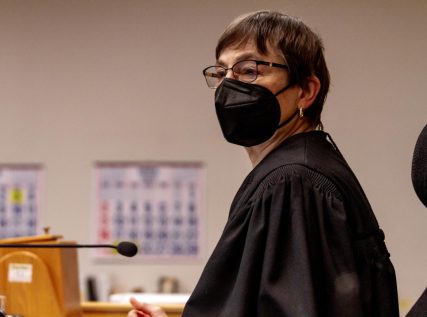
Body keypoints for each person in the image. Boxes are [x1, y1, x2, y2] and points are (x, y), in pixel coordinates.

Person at [128, 10, 399, 317]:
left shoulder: (293, 183)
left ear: (306, 91)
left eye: (249, 70)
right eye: (221, 74)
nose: (228, 86)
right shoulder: (300, 169)